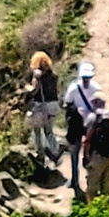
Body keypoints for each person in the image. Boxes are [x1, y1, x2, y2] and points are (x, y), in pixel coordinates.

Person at [24, 50, 63, 184]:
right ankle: (55, 152)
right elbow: (58, 90)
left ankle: (40, 153)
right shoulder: (54, 75)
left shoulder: (37, 75)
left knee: (37, 131)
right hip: (53, 106)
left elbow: (34, 90)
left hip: (40, 106)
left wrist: (26, 87)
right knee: (49, 131)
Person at [83, 103, 109, 204]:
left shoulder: (95, 120)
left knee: (92, 187)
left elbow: (87, 140)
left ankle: (92, 208)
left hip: (97, 157)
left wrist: (86, 156)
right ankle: (105, 209)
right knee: (106, 188)